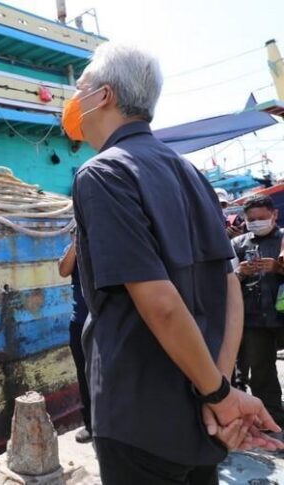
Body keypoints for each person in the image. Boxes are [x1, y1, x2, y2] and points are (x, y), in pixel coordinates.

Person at [64, 42, 282, 485]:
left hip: (138, 418)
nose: (72, 98)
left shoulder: (102, 174)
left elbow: (159, 302)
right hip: (201, 418)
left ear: (103, 96)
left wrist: (220, 395)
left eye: (80, 87)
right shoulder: (190, 173)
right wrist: (217, 387)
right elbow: (229, 285)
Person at [232, 195, 284, 426]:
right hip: (254, 319)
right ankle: (273, 421)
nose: (256, 223)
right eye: (251, 219)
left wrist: (279, 268)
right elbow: (225, 282)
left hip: (281, 315)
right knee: (261, 371)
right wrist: (240, 273)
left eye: (261, 218)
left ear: (275, 215)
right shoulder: (238, 244)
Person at [57, 225, 92, 444]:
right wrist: (75, 245)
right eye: (75, 231)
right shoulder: (73, 251)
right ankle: (90, 425)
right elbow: (63, 270)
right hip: (79, 322)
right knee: (83, 374)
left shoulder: (102, 249)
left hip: (102, 323)